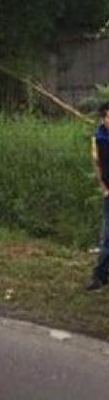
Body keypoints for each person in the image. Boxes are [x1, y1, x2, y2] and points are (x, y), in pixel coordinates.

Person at [86, 103, 109, 291]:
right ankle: (99, 277)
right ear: (104, 118)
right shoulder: (99, 138)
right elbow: (97, 165)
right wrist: (104, 188)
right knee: (107, 238)